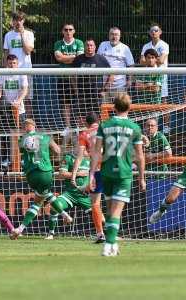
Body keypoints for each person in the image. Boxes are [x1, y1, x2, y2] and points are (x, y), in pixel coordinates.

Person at [90, 93, 146, 256]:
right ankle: (108, 246)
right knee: (116, 212)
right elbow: (140, 156)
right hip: (123, 174)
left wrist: (92, 174)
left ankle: (113, 244)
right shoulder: (134, 128)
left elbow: (96, 152)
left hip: (106, 172)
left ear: (114, 107)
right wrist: (142, 177)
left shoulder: (105, 125)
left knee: (110, 210)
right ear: (129, 107)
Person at [10, 119, 62, 239]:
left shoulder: (22, 139)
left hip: (31, 175)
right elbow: (58, 151)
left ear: (25, 127)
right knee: (38, 202)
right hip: (45, 172)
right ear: (34, 126)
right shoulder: (45, 136)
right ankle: (20, 228)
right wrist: (48, 154)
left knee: (44, 195)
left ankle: (64, 215)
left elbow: (23, 151)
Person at [71, 112, 105, 243]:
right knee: (114, 201)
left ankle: (100, 234)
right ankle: (113, 232)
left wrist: (73, 176)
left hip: (97, 171)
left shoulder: (84, 134)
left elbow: (79, 157)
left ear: (86, 123)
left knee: (95, 203)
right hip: (113, 169)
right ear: (99, 120)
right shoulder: (106, 129)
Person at [45, 152, 92, 240]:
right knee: (54, 207)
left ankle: (107, 234)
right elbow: (61, 174)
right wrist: (79, 174)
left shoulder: (91, 157)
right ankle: (50, 234)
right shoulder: (68, 157)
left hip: (84, 196)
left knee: (99, 216)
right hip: (70, 194)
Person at [72, 38, 113, 120]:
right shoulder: (78, 59)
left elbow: (111, 74)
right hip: (81, 94)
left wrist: (105, 90)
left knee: (96, 117)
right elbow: (72, 75)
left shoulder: (101, 59)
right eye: (87, 45)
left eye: (91, 45)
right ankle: (82, 132)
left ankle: (94, 132)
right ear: (84, 47)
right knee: (81, 117)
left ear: (95, 47)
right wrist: (76, 90)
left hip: (96, 95)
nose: (89, 47)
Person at [54, 23, 84, 133]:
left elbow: (79, 58)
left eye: (70, 29)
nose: (68, 31)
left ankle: (77, 126)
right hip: (63, 77)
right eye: (65, 29)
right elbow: (58, 58)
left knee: (77, 101)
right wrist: (73, 57)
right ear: (62, 31)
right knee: (65, 103)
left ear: (74, 31)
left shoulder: (79, 42)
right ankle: (67, 127)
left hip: (76, 77)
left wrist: (64, 58)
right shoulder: (58, 43)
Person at [3, 11, 35, 116]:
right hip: (12, 71)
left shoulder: (29, 34)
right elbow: (6, 54)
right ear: (13, 21)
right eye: (16, 20)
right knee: (13, 97)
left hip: (26, 70)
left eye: (20, 20)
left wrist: (22, 36)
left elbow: (28, 51)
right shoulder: (8, 35)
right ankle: (14, 122)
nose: (18, 22)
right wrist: (5, 69)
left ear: (23, 21)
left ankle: (28, 122)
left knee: (27, 97)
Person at [0, 54, 28, 127]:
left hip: (19, 108)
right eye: (10, 63)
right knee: (8, 130)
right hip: (6, 108)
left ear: (17, 64)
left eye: (14, 63)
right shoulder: (2, 73)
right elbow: (0, 90)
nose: (12, 65)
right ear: (7, 63)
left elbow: (25, 90)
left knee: (21, 130)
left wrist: (18, 101)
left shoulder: (22, 74)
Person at [97, 27, 135, 95]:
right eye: (112, 34)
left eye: (116, 34)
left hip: (120, 85)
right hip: (104, 86)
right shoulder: (102, 45)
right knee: (103, 105)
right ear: (109, 35)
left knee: (119, 105)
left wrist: (130, 80)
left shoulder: (125, 48)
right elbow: (97, 61)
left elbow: (131, 65)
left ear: (120, 36)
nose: (114, 37)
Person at [140, 24, 169, 101]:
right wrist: (156, 59)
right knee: (147, 99)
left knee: (163, 101)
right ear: (149, 33)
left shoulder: (164, 45)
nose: (154, 32)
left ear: (160, 32)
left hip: (161, 75)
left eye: (156, 30)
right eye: (151, 30)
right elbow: (141, 62)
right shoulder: (146, 46)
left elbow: (162, 61)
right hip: (148, 75)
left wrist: (148, 60)